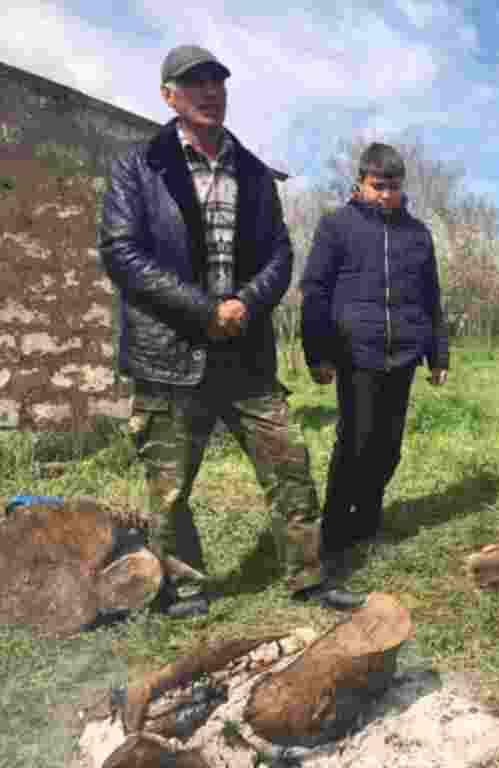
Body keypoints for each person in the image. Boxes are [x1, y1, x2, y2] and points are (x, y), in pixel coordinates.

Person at [99, 45, 362, 617]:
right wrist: (202, 310)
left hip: (245, 354)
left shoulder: (252, 171)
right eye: (194, 84)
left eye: (217, 82)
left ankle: (309, 579)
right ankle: (186, 588)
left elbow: (279, 253)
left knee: (289, 465)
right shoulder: (138, 167)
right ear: (168, 95)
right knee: (169, 488)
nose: (210, 92)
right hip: (170, 352)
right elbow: (121, 253)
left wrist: (245, 303)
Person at [300, 143, 449, 569]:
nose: (386, 194)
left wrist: (438, 355)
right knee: (356, 442)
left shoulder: (417, 234)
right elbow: (315, 290)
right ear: (360, 183)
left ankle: (366, 524)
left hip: (403, 353)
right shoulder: (337, 226)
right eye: (377, 186)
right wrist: (318, 353)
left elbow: (431, 297)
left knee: (388, 447)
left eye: (393, 186)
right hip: (355, 353)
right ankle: (334, 530)